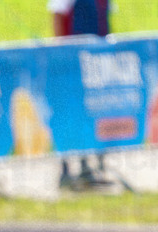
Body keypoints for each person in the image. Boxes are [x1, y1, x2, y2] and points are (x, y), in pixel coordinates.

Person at [49, 0, 112, 190]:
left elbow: (105, 22)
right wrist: (62, 55)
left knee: (88, 113)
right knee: (68, 114)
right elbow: (57, 18)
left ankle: (86, 168)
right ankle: (65, 170)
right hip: (70, 62)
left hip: (94, 62)